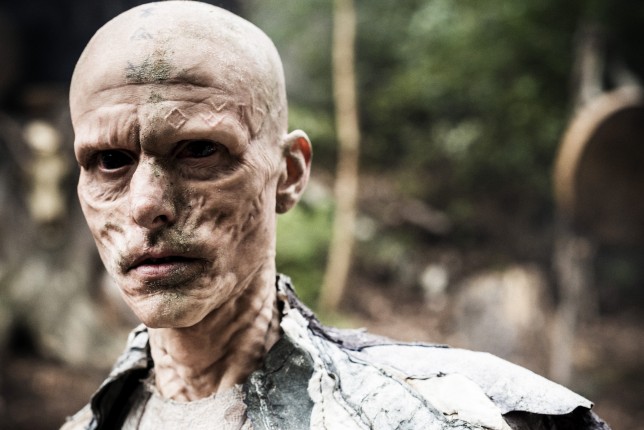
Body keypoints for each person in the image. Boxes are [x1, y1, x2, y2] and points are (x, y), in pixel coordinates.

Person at [63, 2, 610, 429]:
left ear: (289, 173)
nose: (147, 205)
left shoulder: (470, 415)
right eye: (110, 161)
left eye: (199, 150)